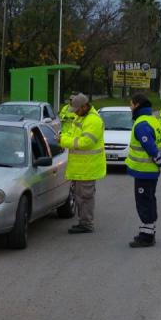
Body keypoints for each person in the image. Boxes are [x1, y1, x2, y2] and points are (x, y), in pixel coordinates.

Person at [60, 93, 106, 234]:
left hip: (88, 167)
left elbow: (85, 143)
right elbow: (70, 134)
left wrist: (63, 140)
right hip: (81, 167)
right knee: (81, 197)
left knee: (85, 197)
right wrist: (65, 136)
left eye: (77, 110)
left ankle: (86, 224)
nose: (75, 113)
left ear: (85, 106)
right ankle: (84, 221)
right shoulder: (81, 116)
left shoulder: (93, 120)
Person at [126, 93, 161, 247]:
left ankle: (147, 238)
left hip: (144, 170)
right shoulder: (154, 121)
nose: (130, 107)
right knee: (149, 200)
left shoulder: (141, 124)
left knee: (144, 202)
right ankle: (147, 232)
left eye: (131, 104)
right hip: (151, 171)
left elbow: (150, 147)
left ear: (137, 105)